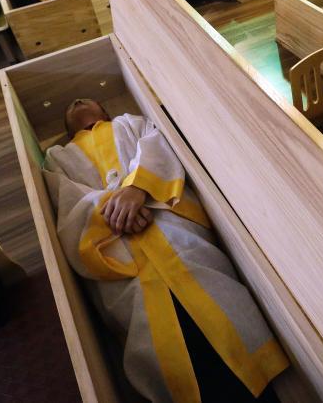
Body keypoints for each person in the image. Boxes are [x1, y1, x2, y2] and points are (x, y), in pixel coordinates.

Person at [44, 100, 288, 402]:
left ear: (105, 112)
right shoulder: (57, 157)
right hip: (118, 254)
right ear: (67, 131)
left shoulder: (128, 123)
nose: (77, 101)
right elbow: (68, 204)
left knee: (221, 316)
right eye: (70, 105)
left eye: (87, 99)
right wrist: (117, 209)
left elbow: (157, 145)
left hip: (169, 225)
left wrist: (138, 188)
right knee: (158, 342)